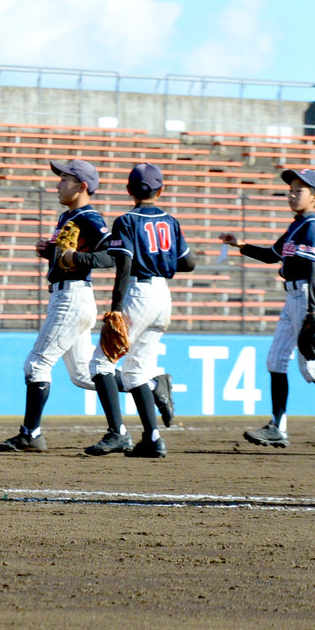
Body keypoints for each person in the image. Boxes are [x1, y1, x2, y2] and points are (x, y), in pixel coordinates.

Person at [0, 160, 174, 453]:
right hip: (67, 296)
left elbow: (110, 256)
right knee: (83, 376)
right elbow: (71, 255)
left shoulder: (89, 217)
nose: (57, 184)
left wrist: (74, 258)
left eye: (64, 178)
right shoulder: (70, 216)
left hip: (72, 299)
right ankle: (151, 386)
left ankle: (31, 434)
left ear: (82, 186)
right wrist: (54, 253)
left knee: (36, 364)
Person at [219, 168, 315, 451]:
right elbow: (273, 255)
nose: (292, 195)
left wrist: (312, 312)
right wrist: (241, 245)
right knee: (275, 361)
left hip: (307, 298)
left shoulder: (312, 226)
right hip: (293, 298)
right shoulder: (297, 225)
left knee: (311, 368)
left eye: (299, 191)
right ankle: (277, 427)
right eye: (291, 190)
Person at [85, 162, 195, 459]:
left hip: (138, 291)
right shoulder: (170, 221)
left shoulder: (127, 220)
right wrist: (162, 259)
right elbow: (188, 263)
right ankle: (154, 438)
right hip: (163, 295)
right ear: (162, 190)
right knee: (136, 372)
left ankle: (117, 433)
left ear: (129, 190)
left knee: (101, 365)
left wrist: (116, 309)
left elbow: (124, 265)